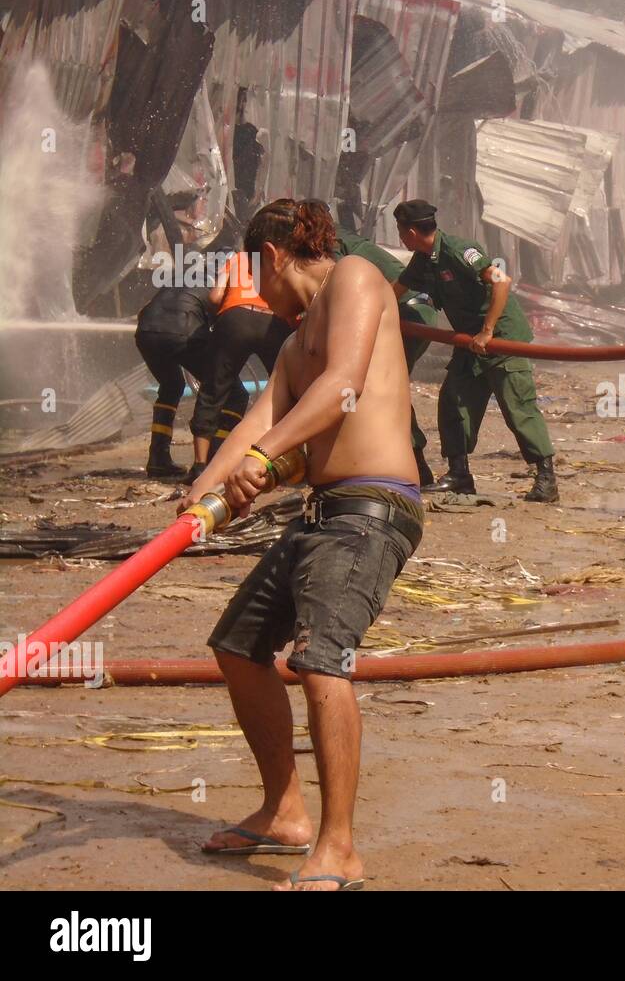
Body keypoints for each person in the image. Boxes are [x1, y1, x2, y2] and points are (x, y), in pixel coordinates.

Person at [185, 198, 423, 891]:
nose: (259, 288)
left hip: (374, 508)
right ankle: (284, 811)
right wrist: (201, 491)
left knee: (321, 660)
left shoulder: (354, 277)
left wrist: (264, 460)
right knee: (237, 646)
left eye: (257, 270)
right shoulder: (292, 344)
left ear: (274, 255)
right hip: (324, 515)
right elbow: (257, 420)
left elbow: (343, 386)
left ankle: (339, 846)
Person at [392, 200, 559, 503]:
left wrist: (488, 330)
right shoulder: (423, 259)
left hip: (501, 338)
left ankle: (546, 479)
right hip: (470, 343)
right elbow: (395, 292)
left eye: (402, 232)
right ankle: (460, 476)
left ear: (412, 232)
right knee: (453, 401)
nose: (401, 239)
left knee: (517, 407)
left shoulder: (459, 251)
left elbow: (502, 282)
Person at [333, 226, 439, 490]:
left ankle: (410, 462)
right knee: (386, 386)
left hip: (406, 316)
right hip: (416, 313)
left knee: (379, 386)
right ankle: (412, 463)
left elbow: (333, 288)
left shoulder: (334, 244)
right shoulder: (348, 241)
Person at [186, 249, 295, 484]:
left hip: (234, 319)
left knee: (213, 389)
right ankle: (287, 459)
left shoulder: (237, 258)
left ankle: (199, 465)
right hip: (272, 320)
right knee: (286, 389)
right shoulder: (284, 258)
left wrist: (223, 315)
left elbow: (215, 297)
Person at [134, 280, 221, 478]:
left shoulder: (177, 282)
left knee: (171, 386)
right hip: (183, 332)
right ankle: (211, 461)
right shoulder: (217, 286)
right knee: (224, 390)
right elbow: (221, 326)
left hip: (146, 333)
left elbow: (143, 311)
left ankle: (158, 458)